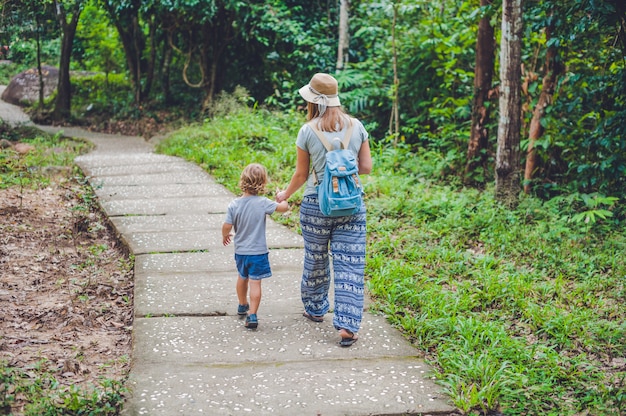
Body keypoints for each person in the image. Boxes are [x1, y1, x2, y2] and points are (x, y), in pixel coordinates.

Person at [276, 73, 373, 347]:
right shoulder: (357, 126)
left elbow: (301, 174)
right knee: (350, 265)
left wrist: (284, 194)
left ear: (314, 101)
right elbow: (366, 167)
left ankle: (316, 308)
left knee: (316, 259)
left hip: (315, 206)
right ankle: (347, 326)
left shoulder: (308, 130)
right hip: (352, 206)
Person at [222, 163, 289, 329]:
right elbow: (283, 208)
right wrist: (282, 197)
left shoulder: (234, 205)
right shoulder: (263, 203)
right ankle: (252, 315)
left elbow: (227, 226)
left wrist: (225, 235)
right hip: (258, 253)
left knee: (241, 277)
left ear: (242, 180)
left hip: (241, 252)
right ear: (262, 183)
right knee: (255, 283)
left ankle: (242, 304)